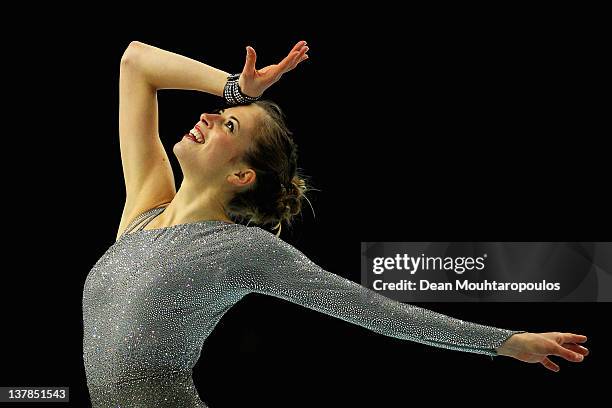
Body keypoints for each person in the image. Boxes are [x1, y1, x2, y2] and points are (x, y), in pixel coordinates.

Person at [82, 40, 589, 407]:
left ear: (241, 173)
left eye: (228, 124)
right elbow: (135, 62)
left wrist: (502, 342)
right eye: (221, 113)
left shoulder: (239, 249)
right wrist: (235, 89)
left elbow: (369, 308)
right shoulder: (144, 210)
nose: (212, 116)